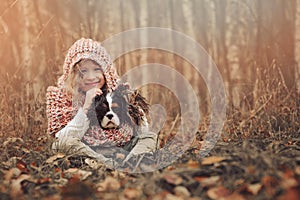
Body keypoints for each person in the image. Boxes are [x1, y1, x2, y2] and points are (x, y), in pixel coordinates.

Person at [46, 38, 157, 166]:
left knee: (150, 138)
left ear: (106, 72)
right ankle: (108, 164)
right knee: (61, 143)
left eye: (97, 69)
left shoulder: (119, 93)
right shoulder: (61, 97)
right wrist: (86, 106)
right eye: (83, 71)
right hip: (88, 151)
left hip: (121, 149)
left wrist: (134, 111)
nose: (91, 77)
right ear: (72, 75)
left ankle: (130, 162)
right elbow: (63, 138)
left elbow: (142, 133)